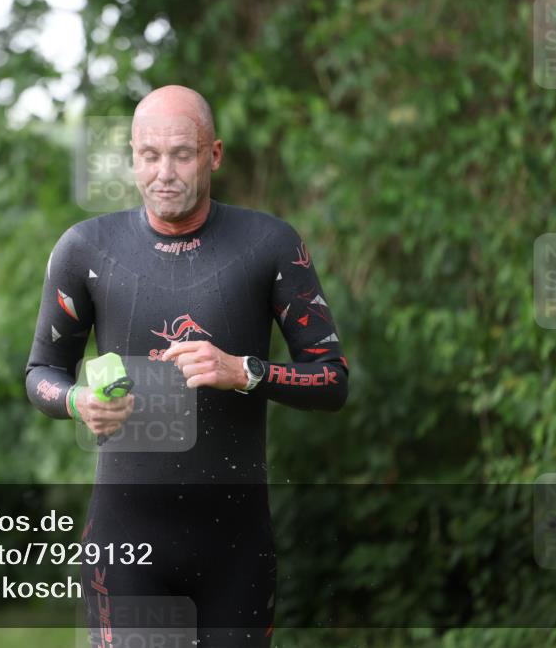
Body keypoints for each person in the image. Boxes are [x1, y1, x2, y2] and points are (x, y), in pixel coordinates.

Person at [26, 85, 348, 647]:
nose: (164, 172)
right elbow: (40, 374)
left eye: (182, 154)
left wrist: (246, 371)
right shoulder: (86, 249)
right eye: (150, 156)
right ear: (132, 157)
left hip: (237, 549)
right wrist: (79, 402)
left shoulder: (269, 245)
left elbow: (332, 379)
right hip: (126, 546)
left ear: (214, 155)